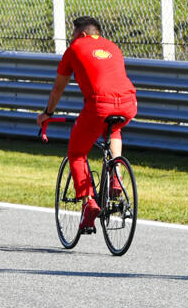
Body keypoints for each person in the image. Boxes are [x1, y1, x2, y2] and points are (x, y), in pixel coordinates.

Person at [37, 16, 137, 232]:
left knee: (77, 152)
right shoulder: (113, 47)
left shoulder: (75, 48)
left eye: (73, 35)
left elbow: (58, 89)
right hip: (129, 103)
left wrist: (47, 113)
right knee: (115, 129)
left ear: (81, 34)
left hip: (99, 105)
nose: (71, 40)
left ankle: (88, 202)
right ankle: (116, 177)